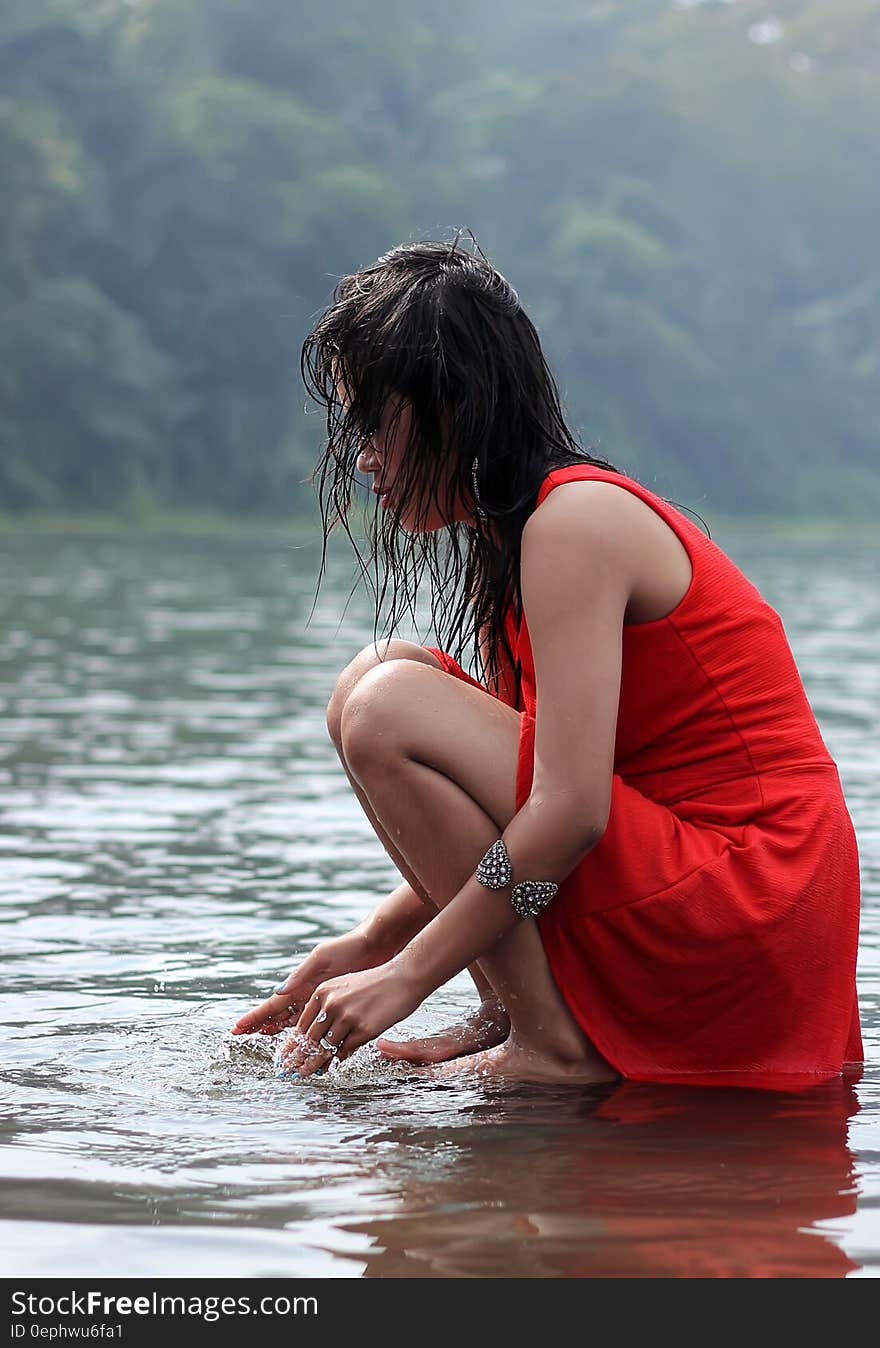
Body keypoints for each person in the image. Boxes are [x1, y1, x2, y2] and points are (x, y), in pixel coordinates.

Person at [231, 229, 864, 1090]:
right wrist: (374, 941)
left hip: (752, 891)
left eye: (377, 422)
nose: (366, 458)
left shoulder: (573, 524)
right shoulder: (517, 538)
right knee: (372, 677)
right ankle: (517, 1015)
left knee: (387, 706)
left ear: (451, 408)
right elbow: (520, 816)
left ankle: (549, 1041)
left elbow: (568, 816)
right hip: (705, 875)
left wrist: (408, 975)